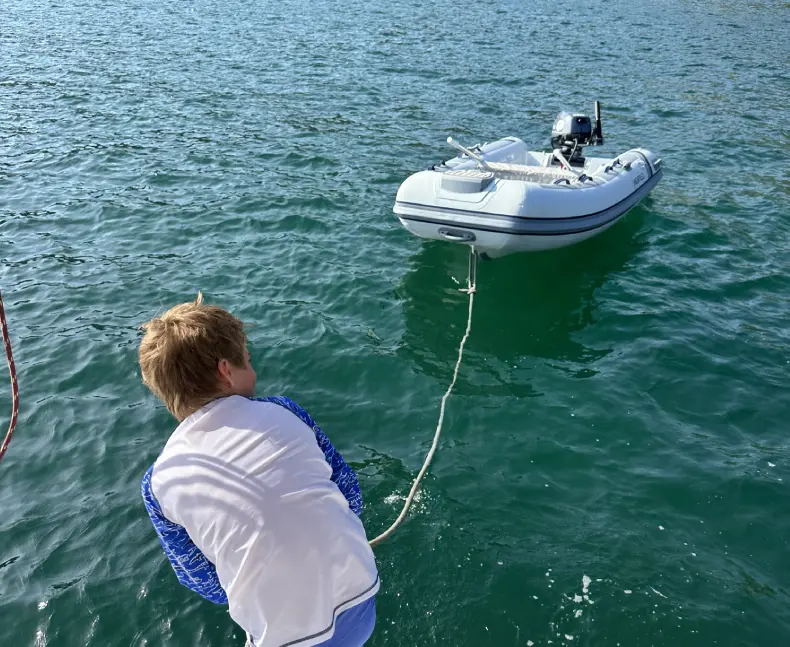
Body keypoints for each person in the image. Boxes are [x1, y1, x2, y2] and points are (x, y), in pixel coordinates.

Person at [138, 293, 379, 647]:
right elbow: (350, 497)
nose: (255, 373)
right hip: (362, 601)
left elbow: (204, 582)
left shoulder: (158, 483)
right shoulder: (285, 410)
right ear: (225, 371)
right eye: (248, 363)